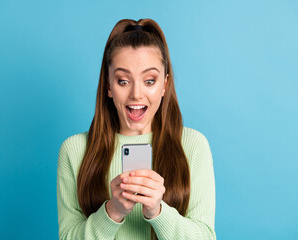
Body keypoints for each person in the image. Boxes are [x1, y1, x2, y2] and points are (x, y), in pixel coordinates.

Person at [57, 18, 216, 240]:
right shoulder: (74, 150)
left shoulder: (194, 146)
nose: (136, 94)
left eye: (149, 81)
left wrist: (158, 211)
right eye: (123, 81)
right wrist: (113, 211)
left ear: (164, 85)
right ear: (108, 86)